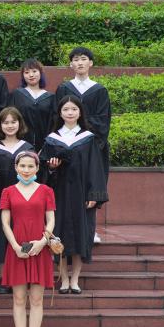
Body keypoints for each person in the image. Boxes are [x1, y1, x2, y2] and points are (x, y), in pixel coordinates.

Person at [41, 96, 108, 294]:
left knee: (81, 235)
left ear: (80, 112)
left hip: (82, 194)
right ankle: (63, 278)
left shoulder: (88, 138)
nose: (70, 113)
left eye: (73, 109)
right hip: (59, 194)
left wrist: (94, 194)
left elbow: (96, 168)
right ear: (60, 113)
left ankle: (75, 279)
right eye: (65, 109)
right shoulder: (52, 139)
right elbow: (43, 170)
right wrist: (51, 168)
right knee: (58, 234)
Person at [0, 151, 55, 327]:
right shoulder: (7, 191)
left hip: (40, 249)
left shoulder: (46, 190)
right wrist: (15, 246)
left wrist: (42, 242)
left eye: (30, 166)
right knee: (19, 298)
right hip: (17, 249)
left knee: (37, 299)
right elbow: (5, 222)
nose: (26, 170)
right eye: (22, 166)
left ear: (37, 168)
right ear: (16, 167)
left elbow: (51, 220)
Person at [54, 47, 112, 245]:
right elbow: (56, 116)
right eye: (76, 59)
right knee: (66, 188)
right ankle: (64, 231)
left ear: (90, 63)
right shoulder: (64, 89)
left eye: (83, 59)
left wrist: (82, 132)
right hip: (66, 144)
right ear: (71, 64)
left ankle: (90, 230)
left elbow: (103, 121)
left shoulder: (99, 90)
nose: (80, 63)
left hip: (92, 148)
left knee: (90, 187)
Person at [0, 107, 36, 293]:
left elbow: (37, 174)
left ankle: (22, 278)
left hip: (24, 200)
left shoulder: (28, 148)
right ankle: (4, 279)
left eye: (13, 122)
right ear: (0, 125)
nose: (10, 125)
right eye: (6, 122)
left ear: (20, 124)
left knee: (22, 236)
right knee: (0, 239)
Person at [10, 58, 55, 153]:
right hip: (20, 144)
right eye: (26, 72)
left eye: (34, 71)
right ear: (23, 76)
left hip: (44, 145)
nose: (31, 75)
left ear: (41, 73)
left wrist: (47, 146)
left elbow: (53, 123)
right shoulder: (17, 95)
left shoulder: (50, 97)